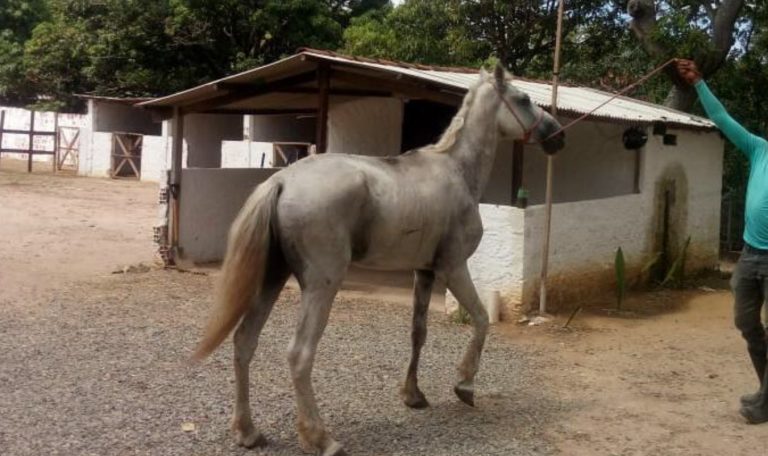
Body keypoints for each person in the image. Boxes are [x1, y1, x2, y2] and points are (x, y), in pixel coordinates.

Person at [676, 58, 768, 424]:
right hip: (749, 255)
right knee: (747, 324)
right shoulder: (760, 148)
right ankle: (766, 391)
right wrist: (699, 84)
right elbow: (723, 120)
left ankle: (763, 403)